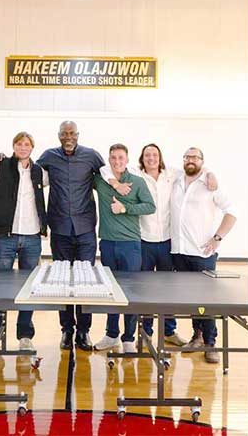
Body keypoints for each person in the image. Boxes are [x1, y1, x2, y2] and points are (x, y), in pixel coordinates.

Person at [101, 144, 218, 346]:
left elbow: (195, 167)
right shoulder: (135, 175)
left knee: (167, 290)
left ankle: (169, 331)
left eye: (154, 155)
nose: (151, 158)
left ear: (160, 157)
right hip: (144, 241)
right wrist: (113, 180)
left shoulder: (172, 174)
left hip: (167, 243)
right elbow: (106, 169)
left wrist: (210, 173)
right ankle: (145, 332)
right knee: (144, 291)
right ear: (141, 158)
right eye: (147, 155)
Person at [37, 120, 105, 351]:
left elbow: (110, 175)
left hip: (85, 228)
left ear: (78, 134)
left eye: (72, 133)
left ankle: (84, 332)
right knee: (62, 281)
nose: (68, 137)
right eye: (64, 133)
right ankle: (67, 330)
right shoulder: (48, 156)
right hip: (59, 228)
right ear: (58, 135)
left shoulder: (91, 156)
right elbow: (25, 172)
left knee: (86, 283)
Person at [0, 132, 49, 353]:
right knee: (0, 288)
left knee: (29, 288)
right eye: (19, 144)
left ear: (32, 147)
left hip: (31, 238)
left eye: (27, 144)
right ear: (13, 146)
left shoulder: (39, 172)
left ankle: (25, 335)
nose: (23, 147)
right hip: (5, 237)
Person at [170, 147, 237, 363]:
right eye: (187, 156)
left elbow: (231, 212)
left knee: (206, 301)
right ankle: (196, 337)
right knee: (191, 300)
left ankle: (211, 343)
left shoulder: (211, 184)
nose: (190, 160)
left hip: (202, 253)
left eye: (195, 157)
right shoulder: (177, 179)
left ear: (202, 161)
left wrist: (217, 238)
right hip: (179, 252)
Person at [92, 144, 156, 353]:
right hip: (108, 243)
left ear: (127, 160)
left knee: (130, 293)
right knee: (111, 292)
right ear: (109, 160)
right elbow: (97, 171)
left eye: (120, 158)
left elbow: (150, 206)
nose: (117, 162)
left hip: (130, 245)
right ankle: (111, 335)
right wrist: (112, 180)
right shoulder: (102, 181)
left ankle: (128, 338)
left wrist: (125, 208)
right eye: (113, 158)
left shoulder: (137, 182)